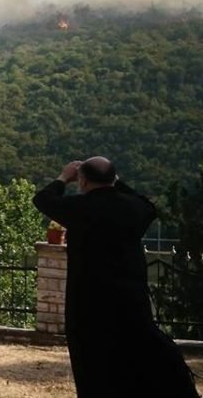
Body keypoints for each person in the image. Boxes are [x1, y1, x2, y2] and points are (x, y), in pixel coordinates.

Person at [33, 156, 198, 397]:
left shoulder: (79, 208)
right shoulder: (134, 209)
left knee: (94, 367)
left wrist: (62, 178)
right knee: (134, 359)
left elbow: (42, 199)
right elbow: (148, 206)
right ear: (113, 179)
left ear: (83, 181)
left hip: (89, 304)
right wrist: (116, 182)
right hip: (130, 301)